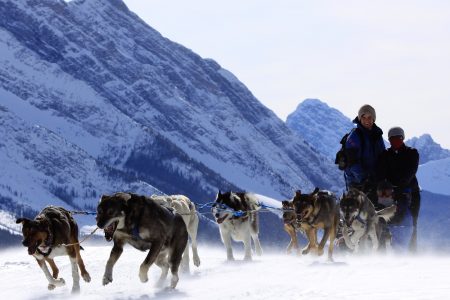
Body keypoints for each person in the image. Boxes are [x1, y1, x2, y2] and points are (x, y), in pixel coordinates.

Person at [377, 126, 420, 252]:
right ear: (389, 140)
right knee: (387, 219)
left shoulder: (412, 153)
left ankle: (411, 251)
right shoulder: (385, 155)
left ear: (403, 138)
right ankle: (386, 249)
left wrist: (400, 186)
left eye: (399, 138)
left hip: (411, 192)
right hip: (389, 193)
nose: (396, 141)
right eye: (393, 138)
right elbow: (380, 173)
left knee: (412, 221)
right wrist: (386, 187)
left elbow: (411, 171)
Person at [344, 104, 385, 204]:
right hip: (357, 182)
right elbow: (352, 161)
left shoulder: (377, 135)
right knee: (358, 213)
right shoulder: (355, 136)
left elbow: (383, 156)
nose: (367, 120)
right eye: (363, 117)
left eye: (369, 117)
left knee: (378, 209)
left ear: (373, 119)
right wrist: (363, 178)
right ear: (360, 118)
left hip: (373, 179)